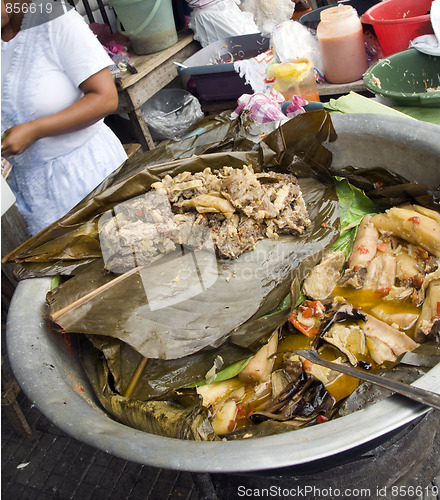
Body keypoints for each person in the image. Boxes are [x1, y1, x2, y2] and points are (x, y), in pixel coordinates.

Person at [1, 0, 128, 235]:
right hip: (35, 195)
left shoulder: (54, 20)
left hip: (89, 178)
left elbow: (105, 97)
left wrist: (34, 130)